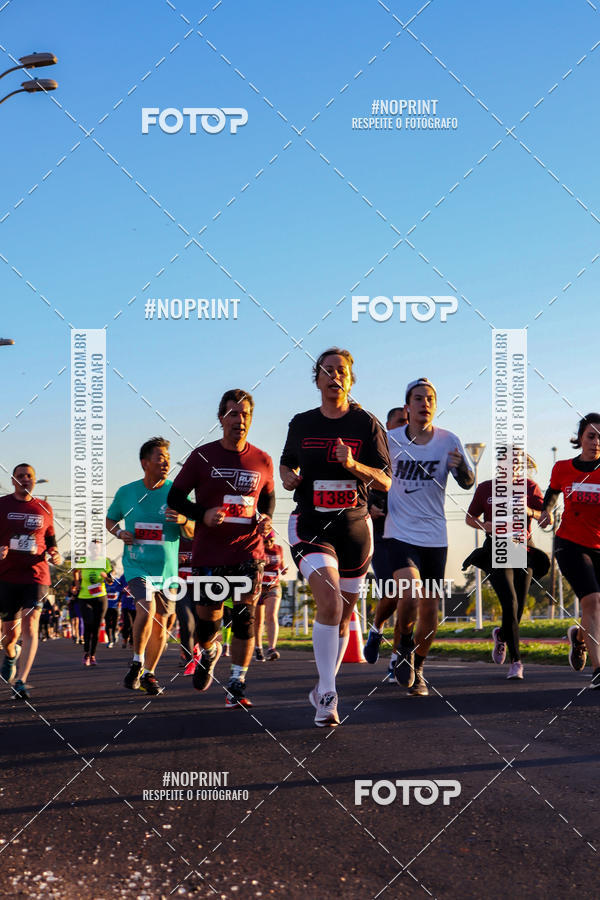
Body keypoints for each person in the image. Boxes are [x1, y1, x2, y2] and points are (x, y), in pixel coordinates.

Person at [281, 348, 391, 726]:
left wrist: (352, 465)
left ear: (350, 378)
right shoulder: (302, 422)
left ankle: (323, 687)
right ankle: (328, 693)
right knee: (328, 598)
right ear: (317, 380)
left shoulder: (366, 423)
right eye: (326, 371)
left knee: (343, 615)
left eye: (341, 370)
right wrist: (287, 476)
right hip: (311, 524)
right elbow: (287, 461)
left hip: (355, 529)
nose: (334, 376)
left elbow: (386, 480)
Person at [168, 389, 275, 709]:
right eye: (232, 413)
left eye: (244, 414)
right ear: (221, 418)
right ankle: (209, 651)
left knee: (244, 617)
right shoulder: (202, 456)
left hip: (247, 552)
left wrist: (266, 517)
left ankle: (237, 682)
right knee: (207, 624)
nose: (238, 420)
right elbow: (175, 498)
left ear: (251, 420)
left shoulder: (263, 459)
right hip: (209, 554)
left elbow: (268, 496)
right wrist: (203, 515)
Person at [385, 378, 474, 697]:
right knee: (408, 594)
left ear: (435, 406)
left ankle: (417, 666)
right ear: (407, 407)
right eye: (418, 398)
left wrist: (461, 464)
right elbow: (372, 474)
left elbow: (467, 482)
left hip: (435, 536)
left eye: (430, 399)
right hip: (399, 532)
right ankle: (403, 645)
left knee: (430, 610)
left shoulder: (449, 440)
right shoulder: (390, 439)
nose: (425, 403)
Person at [106, 437, 193, 695]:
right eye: (160, 457)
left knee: (162, 625)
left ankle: (149, 674)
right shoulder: (126, 492)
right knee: (146, 607)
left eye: (168, 457)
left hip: (166, 572)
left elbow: (192, 530)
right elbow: (110, 521)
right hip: (137, 566)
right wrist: (120, 533)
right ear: (145, 463)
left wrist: (182, 519)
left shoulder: (177, 492)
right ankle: (136, 661)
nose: (166, 461)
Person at [464, 454, 550, 680]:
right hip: (496, 548)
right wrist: (484, 524)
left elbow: (545, 519)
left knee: (518, 607)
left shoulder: (530, 487)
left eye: (516, 464)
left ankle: (501, 635)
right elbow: (469, 517)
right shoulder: (485, 488)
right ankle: (516, 662)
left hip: (524, 549)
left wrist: (529, 511)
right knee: (509, 602)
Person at [544, 413, 600, 689]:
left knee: (598, 609)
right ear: (580, 439)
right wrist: (546, 512)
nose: (597, 441)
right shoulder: (563, 468)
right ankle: (598, 669)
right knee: (592, 601)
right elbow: (552, 492)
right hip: (570, 544)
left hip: (599, 544)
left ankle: (578, 637)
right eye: (591, 436)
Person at [0, 463, 62, 700]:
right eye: (20, 476)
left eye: (29, 476)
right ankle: (11, 656)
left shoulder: (44, 507)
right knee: (10, 636)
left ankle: (21, 681)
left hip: (36, 575)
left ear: (34, 481)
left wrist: (55, 553)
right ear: (13, 480)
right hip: (6, 575)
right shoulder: (2, 505)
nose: (25, 479)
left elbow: (51, 539)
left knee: (31, 622)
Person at [364, 405, 409, 681]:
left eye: (408, 422)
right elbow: (360, 486)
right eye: (400, 422)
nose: (405, 426)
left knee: (408, 597)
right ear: (387, 428)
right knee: (391, 594)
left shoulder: (418, 455)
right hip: (381, 534)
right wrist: (368, 507)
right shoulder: (376, 454)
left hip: (410, 534)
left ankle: (396, 660)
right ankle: (376, 629)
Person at [73, 543, 113, 666]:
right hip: (84, 597)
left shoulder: (105, 561)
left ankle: (93, 655)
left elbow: (111, 581)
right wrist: (77, 583)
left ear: (101, 549)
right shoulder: (84, 560)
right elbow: (75, 571)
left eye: (98, 548)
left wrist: (106, 577)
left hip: (100, 598)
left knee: (96, 628)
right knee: (88, 623)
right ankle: (86, 653)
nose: (96, 549)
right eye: (93, 547)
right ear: (90, 549)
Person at [254, 530, 287, 661]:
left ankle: (271, 648)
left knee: (271, 615)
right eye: (266, 541)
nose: (269, 544)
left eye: (271, 541)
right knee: (258, 620)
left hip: (273, 586)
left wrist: (284, 570)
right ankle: (258, 648)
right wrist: (261, 563)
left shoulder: (279, 549)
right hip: (258, 587)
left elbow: (282, 565)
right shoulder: (257, 549)